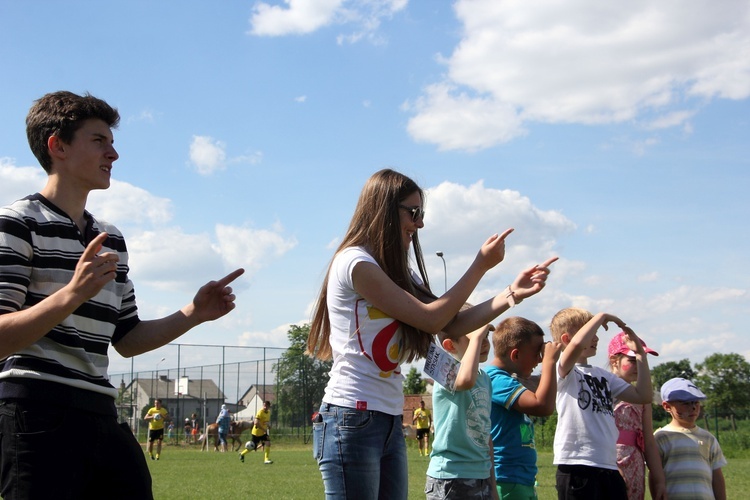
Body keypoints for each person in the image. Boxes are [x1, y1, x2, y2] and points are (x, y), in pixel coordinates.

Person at [0, 91, 244, 500]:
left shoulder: (110, 239)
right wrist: (73, 293)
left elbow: (127, 340)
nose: (114, 154)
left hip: (101, 414)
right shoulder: (16, 224)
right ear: (57, 146)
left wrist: (194, 313)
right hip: (35, 411)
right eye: (99, 141)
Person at [306, 169, 557, 500]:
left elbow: (451, 324)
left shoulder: (397, 271)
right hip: (351, 416)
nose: (420, 223)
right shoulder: (355, 263)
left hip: (388, 418)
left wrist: (512, 293)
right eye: (414, 213)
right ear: (383, 209)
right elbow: (431, 318)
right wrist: (479, 264)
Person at [550, 308, 653, 500]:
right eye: (590, 331)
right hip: (577, 465)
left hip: (607, 465)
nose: (596, 337)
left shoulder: (603, 375)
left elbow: (643, 395)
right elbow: (576, 346)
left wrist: (640, 356)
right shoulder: (563, 369)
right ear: (566, 339)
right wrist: (601, 317)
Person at [487, 316, 562, 500]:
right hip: (506, 478)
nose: (539, 359)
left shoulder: (509, 379)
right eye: (537, 353)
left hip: (520, 479)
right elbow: (542, 406)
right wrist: (550, 362)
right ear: (516, 355)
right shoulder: (496, 380)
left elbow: (546, 384)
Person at [425, 322, 499, 500]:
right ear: (450, 345)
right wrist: (477, 337)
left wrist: (493, 487)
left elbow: (485, 433)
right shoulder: (443, 370)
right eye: (475, 338)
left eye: (485, 337)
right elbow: (465, 380)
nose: (485, 343)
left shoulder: (485, 378)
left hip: (481, 474)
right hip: (451, 475)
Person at [607, 331, 666, 500]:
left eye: (641, 361)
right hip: (608, 463)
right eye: (632, 360)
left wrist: (659, 480)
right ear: (614, 361)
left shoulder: (643, 399)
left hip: (635, 465)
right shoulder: (602, 390)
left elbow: (648, 440)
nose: (638, 366)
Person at [654, 378, 727, 500]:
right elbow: (655, 475)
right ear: (667, 406)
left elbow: (717, 476)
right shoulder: (661, 437)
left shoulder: (708, 438)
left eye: (695, 402)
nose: (693, 407)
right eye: (685, 403)